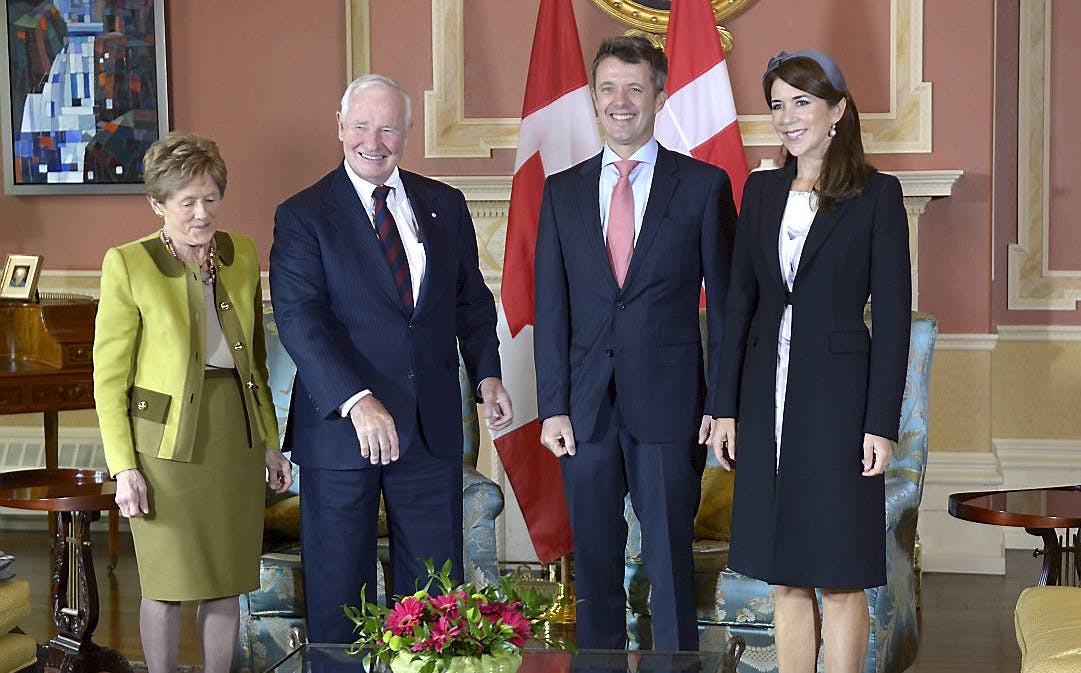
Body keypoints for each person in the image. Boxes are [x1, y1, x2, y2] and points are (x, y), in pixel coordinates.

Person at [270, 73, 514, 644]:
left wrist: (488, 374)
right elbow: (302, 321)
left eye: (387, 128)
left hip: (429, 431)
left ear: (408, 131)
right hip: (341, 432)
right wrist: (358, 402)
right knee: (339, 599)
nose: (373, 142)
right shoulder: (303, 214)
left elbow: (471, 302)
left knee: (432, 601)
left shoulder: (444, 204)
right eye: (360, 126)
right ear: (339, 126)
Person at [706, 51, 911, 673]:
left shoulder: (877, 194)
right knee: (784, 574)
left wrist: (880, 423)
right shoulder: (761, 190)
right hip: (765, 401)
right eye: (777, 105)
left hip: (840, 408)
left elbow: (893, 320)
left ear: (837, 110)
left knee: (841, 575)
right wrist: (724, 409)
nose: (788, 117)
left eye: (802, 102)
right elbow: (738, 305)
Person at [534, 35, 737, 650]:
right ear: (594, 98)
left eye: (634, 88)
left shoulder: (702, 186)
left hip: (672, 408)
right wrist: (553, 406)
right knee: (594, 569)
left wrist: (721, 404)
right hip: (585, 410)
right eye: (608, 89)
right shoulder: (561, 191)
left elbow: (727, 311)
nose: (620, 101)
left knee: (670, 566)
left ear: (660, 96)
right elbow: (552, 310)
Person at [93, 132, 293, 673]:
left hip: (234, 437)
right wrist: (124, 468)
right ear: (157, 204)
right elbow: (108, 380)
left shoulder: (241, 253)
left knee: (225, 581)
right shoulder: (128, 263)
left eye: (210, 198)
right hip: (163, 446)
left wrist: (270, 443)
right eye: (187, 203)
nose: (202, 214)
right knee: (166, 583)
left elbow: (256, 363)